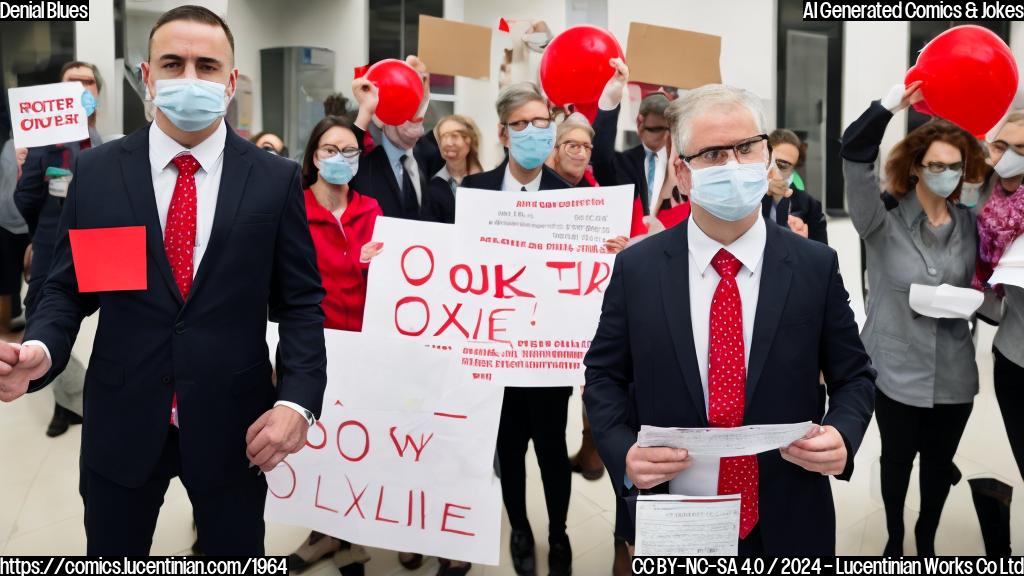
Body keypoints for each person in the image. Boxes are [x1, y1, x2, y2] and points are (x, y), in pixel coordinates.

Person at [0, 5, 327, 555]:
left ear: (231, 80)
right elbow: (67, 286)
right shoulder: (99, 173)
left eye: (207, 65)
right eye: (173, 64)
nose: (190, 79)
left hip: (236, 426)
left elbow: (301, 303)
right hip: (121, 419)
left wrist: (298, 402)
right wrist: (40, 344)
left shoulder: (275, 179)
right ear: (147, 77)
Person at [584, 83, 876, 556]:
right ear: (682, 171)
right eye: (713, 154)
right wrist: (622, 451)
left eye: (745, 148)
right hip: (676, 515)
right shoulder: (638, 269)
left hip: (788, 512)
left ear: (766, 156)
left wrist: (843, 432)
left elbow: (855, 376)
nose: (734, 165)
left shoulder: (814, 266)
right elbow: (604, 375)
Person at [842, 81, 987, 556]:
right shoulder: (879, 220)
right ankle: (894, 535)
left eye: (956, 167)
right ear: (917, 169)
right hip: (895, 368)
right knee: (897, 461)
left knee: (938, 464)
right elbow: (855, 151)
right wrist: (887, 105)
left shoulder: (971, 221)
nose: (948, 174)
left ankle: (926, 536)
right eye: (938, 166)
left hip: (953, 371)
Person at [462, 82, 573, 576]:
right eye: (521, 124)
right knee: (508, 450)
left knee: (552, 450)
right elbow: (455, 264)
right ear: (503, 134)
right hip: (496, 354)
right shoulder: (474, 191)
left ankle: (558, 531)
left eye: (541, 124)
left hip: (549, 355)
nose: (533, 133)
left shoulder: (571, 198)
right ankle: (522, 529)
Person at [284, 115, 382, 575]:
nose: (339, 159)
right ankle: (322, 533)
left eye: (349, 152)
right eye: (329, 150)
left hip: (365, 348)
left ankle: (348, 536)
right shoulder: (295, 209)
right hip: (310, 350)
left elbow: (397, 282)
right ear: (313, 156)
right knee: (317, 445)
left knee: (354, 444)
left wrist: (380, 264)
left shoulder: (372, 210)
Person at [14, 60, 105, 437]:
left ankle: (80, 401)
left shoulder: (111, 146)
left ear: (98, 92)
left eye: (88, 81)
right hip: (53, 251)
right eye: (73, 81)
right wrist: (30, 162)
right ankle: (70, 402)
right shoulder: (38, 143)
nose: (82, 88)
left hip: (101, 252)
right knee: (44, 323)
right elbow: (24, 202)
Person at [976, 112, 1024, 533]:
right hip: (1012, 355)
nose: (1008, 156)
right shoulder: (983, 202)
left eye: (1021, 150)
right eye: (1001, 146)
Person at [349, 57, 442, 221]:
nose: (414, 116)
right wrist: (365, 110)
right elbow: (346, 157)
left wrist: (423, 85)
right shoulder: (364, 162)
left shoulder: (428, 157)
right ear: (384, 115)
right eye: (405, 108)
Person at [592, 61, 672, 217]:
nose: (664, 136)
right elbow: (600, 162)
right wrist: (610, 100)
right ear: (640, 123)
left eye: (668, 129)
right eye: (655, 129)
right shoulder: (623, 163)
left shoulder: (680, 166)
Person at [765, 129, 827, 243]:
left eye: (783, 165)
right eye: (772, 161)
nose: (775, 169)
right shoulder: (745, 195)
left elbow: (823, 255)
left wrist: (801, 244)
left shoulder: (810, 206)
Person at [421, 114, 484, 224]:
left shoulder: (488, 182)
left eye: (455, 136)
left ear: (470, 140)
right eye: (443, 137)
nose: (448, 143)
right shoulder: (432, 188)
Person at [0, 139, 29, 332]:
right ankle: (4, 330)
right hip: (5, 221)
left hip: (33, 222)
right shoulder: (9, 146)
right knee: (5, 281)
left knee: (39, 281)